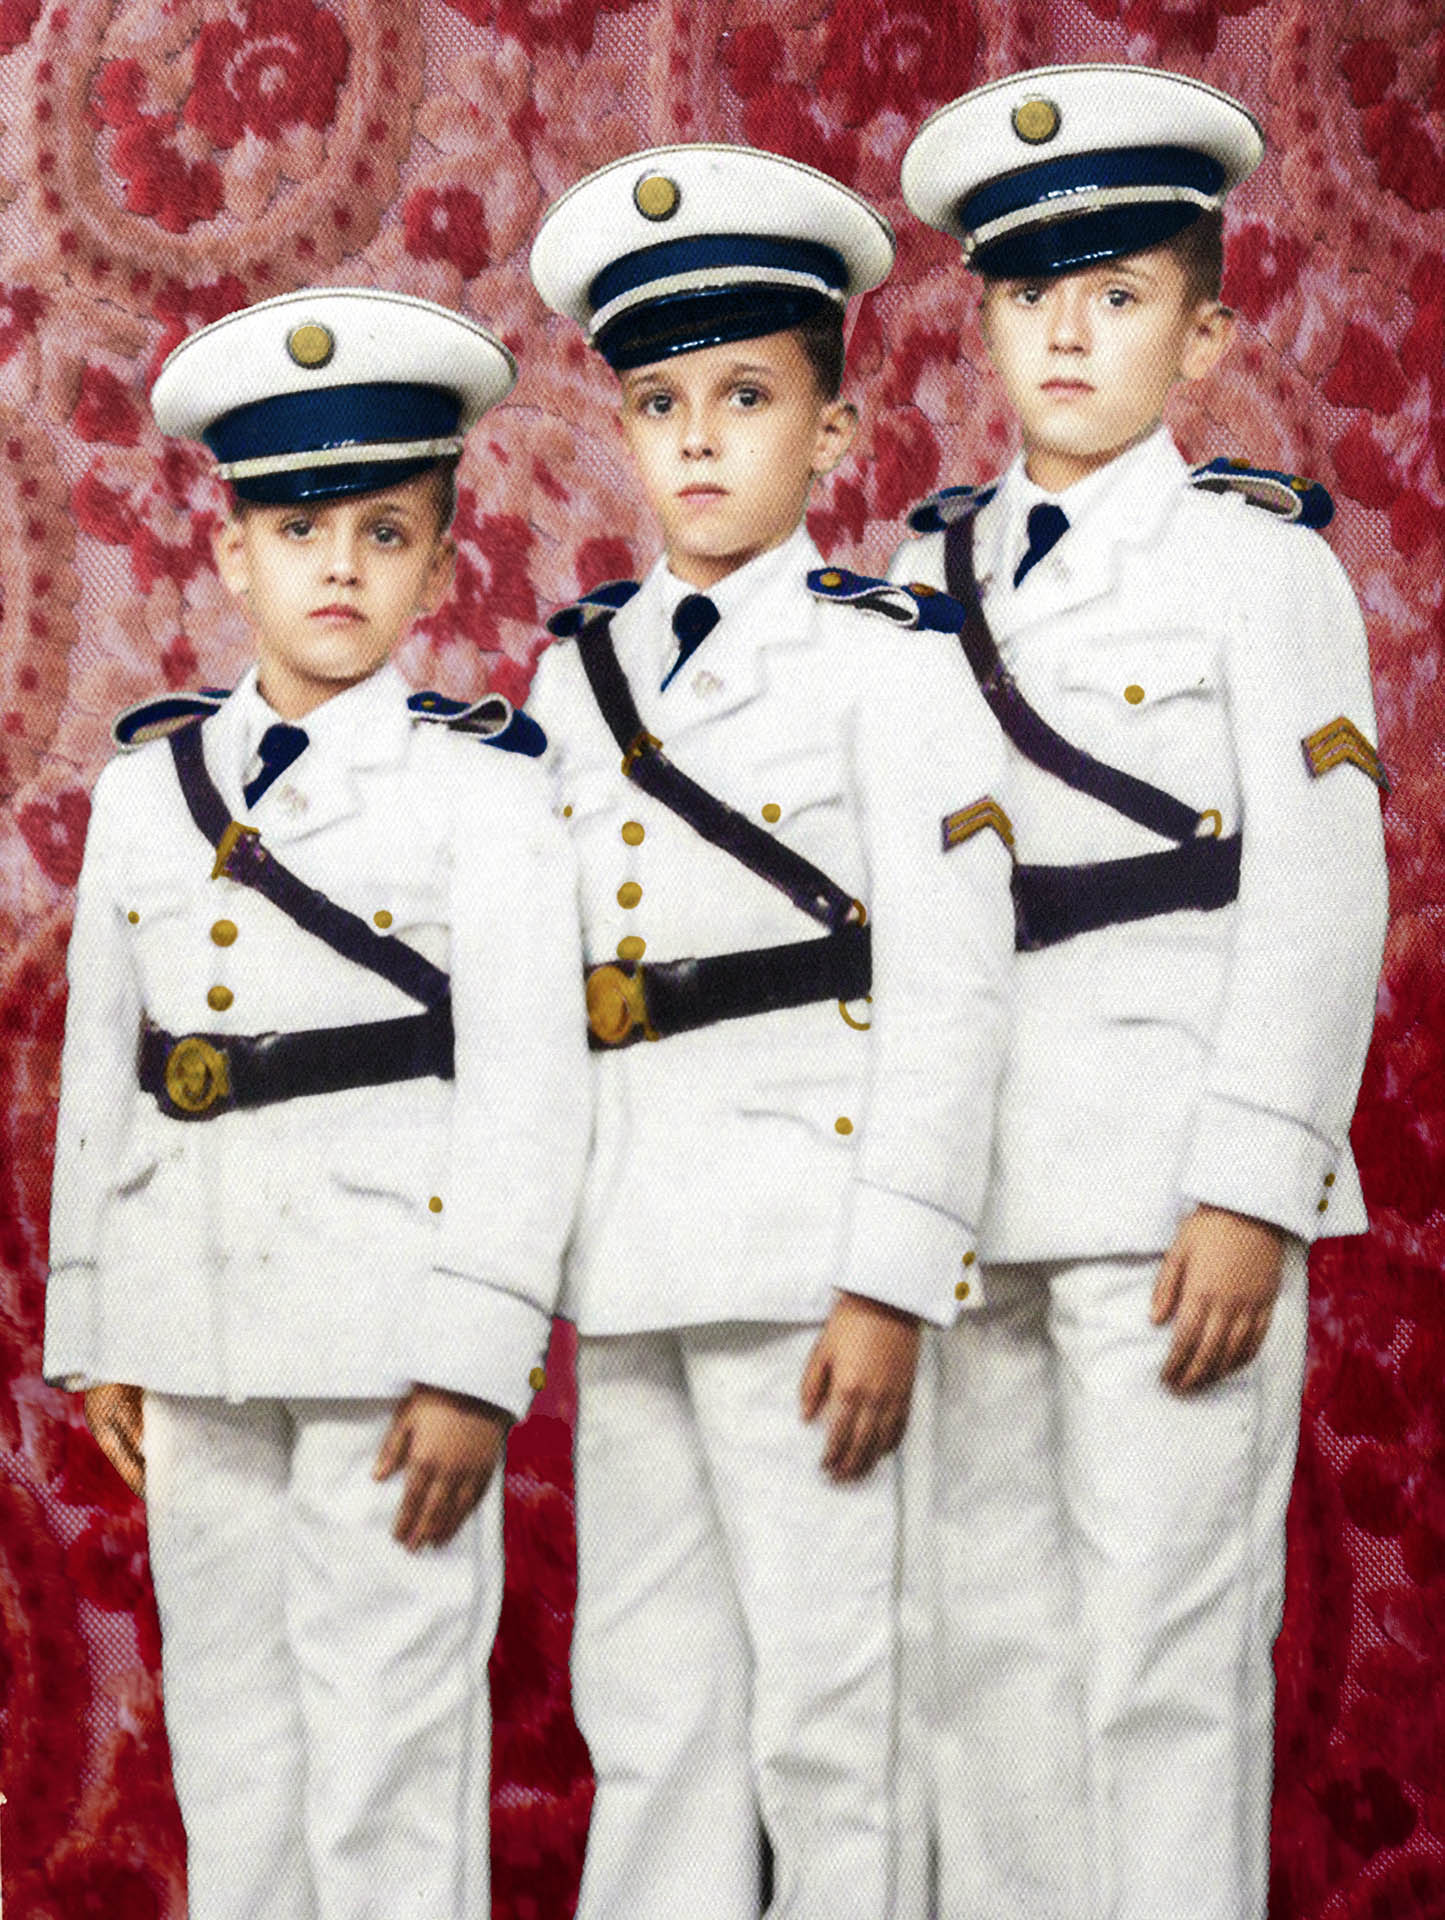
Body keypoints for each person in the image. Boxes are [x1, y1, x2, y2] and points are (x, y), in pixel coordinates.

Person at [876, 64, 1391, 1920]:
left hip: (1172, 1182)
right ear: (981, 325)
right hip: (968, 1191)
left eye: (1118, 294)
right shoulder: (914, 577)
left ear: (1203, 332)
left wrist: (1252, 1178)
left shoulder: (1255, 565)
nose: (1070, 334)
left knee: (1161, 1667)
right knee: (984, 1668)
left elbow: (1322, 890)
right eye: (1030, 295)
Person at [43, 286, 591, 1920]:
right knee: (236, 1754)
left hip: (388, 1334)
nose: (338, 567)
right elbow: (106, 1068)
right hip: (192, 1320)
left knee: (386, 1769)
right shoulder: (146, 796)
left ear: (439, 561)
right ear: (231, 556)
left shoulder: (485, 794)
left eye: (382, 532)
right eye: (297, 530)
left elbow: (530, 1083)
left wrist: (480, 1354)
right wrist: (99, 1321)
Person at [525, 145, 1016, 1919]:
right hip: (628, 1246)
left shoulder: (890, 656)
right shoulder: (570, 681)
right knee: (649, 1707)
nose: (701, 441)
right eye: (661, 404)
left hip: (814, 1250)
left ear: (834, 430)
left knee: (834, 1714)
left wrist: (891, 1272)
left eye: (747, 396)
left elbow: (955, 981)